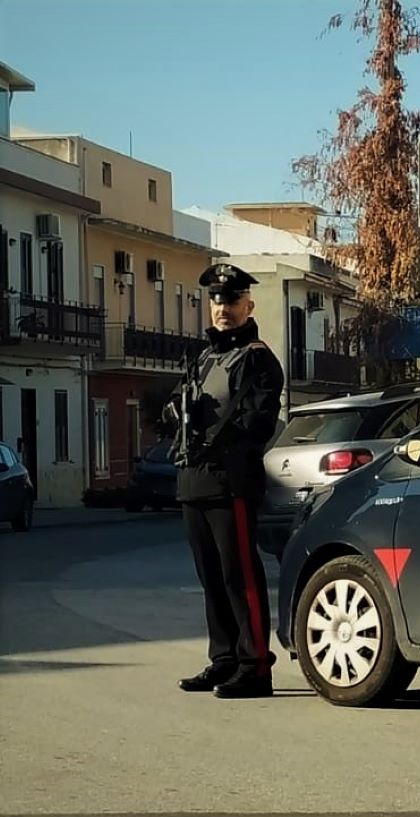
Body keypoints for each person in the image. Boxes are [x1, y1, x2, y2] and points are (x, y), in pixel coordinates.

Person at [167, 263, 284, 699]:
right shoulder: (204, 356)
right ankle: (225, 659)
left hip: (231, 479)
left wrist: (217, 430)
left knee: (240, 575)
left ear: (248, 305)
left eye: (232, 300)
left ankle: (256, 666)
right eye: (217, 301)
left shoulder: (256, 358)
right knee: (210, 575)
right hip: (193, 477)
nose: (223, 308)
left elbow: (257, 422)